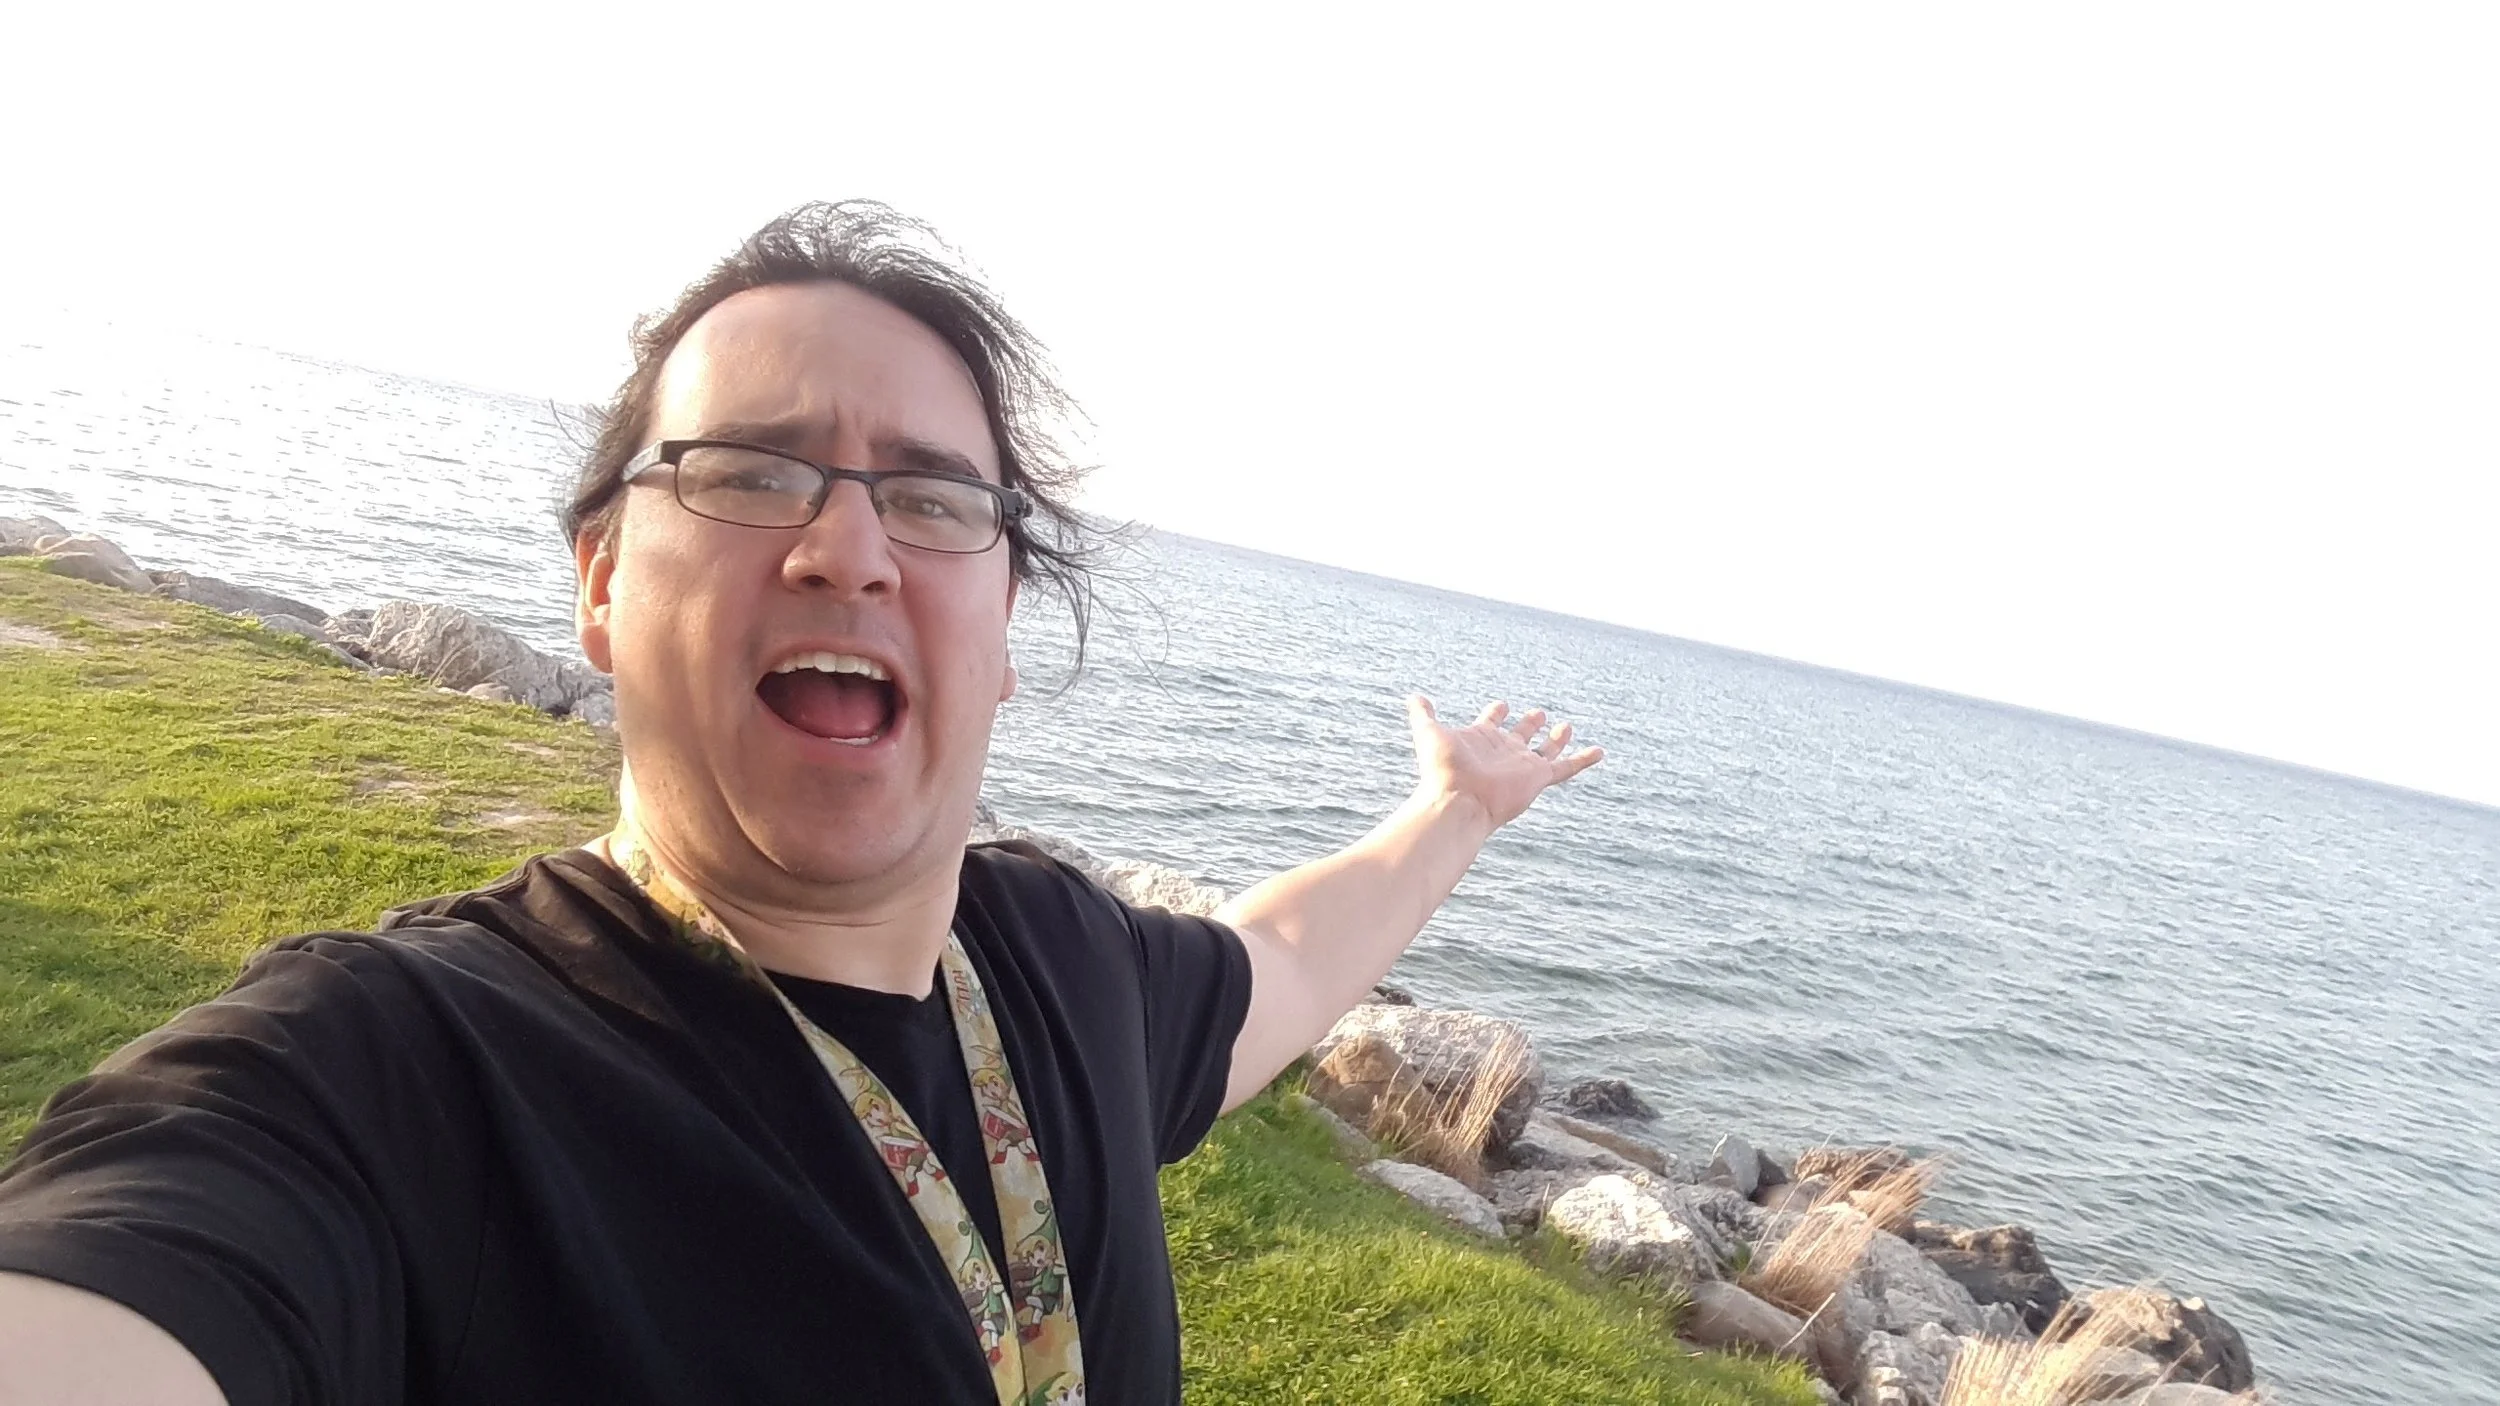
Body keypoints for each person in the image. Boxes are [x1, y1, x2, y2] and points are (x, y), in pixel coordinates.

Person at [0, 201, 1602, 1406]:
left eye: (929, 495)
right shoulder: (401, 1076)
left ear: (1002, 639)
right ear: (604, 584)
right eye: (752, 471)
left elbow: (1291, 961)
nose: (850, 547)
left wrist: (1454, 810)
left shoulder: (1059, 961)